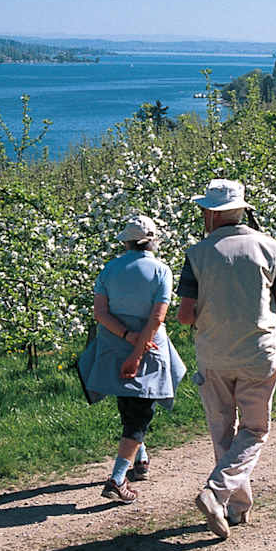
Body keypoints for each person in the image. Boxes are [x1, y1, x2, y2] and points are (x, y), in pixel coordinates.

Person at [177, 179, 276, 539]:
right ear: (241, 209)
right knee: (255, 430)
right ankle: (218, 494)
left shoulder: (197, 254)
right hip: (257, 352)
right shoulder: (269, 247)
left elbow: (184, 314)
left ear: (211, 214)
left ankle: (233, 506)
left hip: (213, 353)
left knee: (222, 428)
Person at [78, 214, 186, 503]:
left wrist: (126, 338)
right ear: (152, 241)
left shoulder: (109, 269)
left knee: (129, 405)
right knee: (140, 413)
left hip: (113, 345)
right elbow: (157, 317)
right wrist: (137, 352)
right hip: (148, 350)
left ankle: (141, 459)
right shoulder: (161, 270)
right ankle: (117, 478)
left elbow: (100, 313)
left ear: (125, 242)